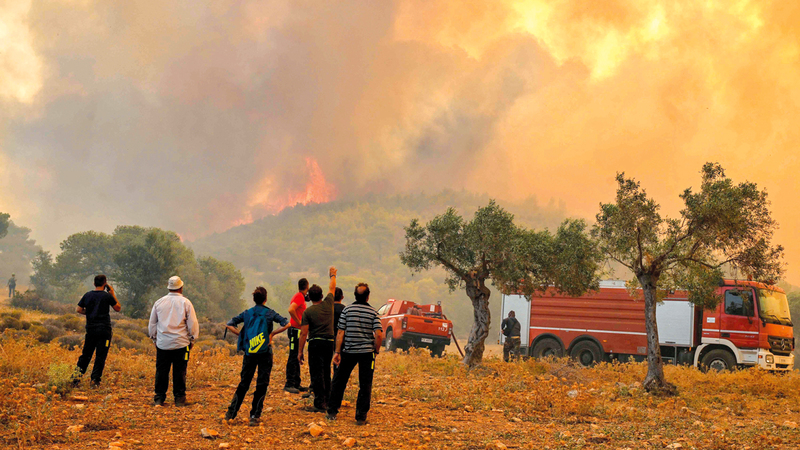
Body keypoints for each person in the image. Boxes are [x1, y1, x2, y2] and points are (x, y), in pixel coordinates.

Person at [224, 287, 291, 425]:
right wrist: (271, 335)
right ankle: (255, 415)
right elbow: (287, 323)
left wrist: (243, 336)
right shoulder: (270, 313)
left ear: (254, 299)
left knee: (244, 382)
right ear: (265, 299)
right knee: (262, 383)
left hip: (250, 353)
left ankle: (231, 413)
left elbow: (229, 324)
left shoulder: (247, 313)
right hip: (265, 353)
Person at [326, 282, 384, 425]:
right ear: (368, 297)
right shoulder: (373, 312)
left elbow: (340, 332)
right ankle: (360, 416)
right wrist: (376, 350)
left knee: (339, 381)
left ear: (355, 295)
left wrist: (337, 352)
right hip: (367, 353)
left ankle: (332, 411)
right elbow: (379, 335)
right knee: (365, 384)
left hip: (348, 351)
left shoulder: (347, 310)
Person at [148, 276, 199, 407]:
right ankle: (179, 399)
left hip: (163, 343)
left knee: (161, 371)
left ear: (169, 287)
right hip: (181, 343)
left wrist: (154, 339)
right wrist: (192, 339)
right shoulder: (186, 303)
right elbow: (192, 323)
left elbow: (152, 324)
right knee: (180, 371)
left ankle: (159, 398)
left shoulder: (159, 302)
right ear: (181, 288)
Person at [298, 267, 337, 412]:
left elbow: (303, 334)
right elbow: (332, 287)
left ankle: (319, 403)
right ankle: (328, 400)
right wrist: (333, 274)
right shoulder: (328, 304)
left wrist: (300, 351)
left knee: (316, 373)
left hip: (315, 343)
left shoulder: (308, 312)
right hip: (329, 343)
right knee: (326, 371)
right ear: (322, 295)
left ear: (309, 298)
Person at [72, 274, 121, 387]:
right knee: (100, 355)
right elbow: (118, 308)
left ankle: (75, 379)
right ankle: (95, 381)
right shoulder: (107, 296)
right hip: (104, 330)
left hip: (91, 330)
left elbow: (79, 309)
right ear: (105, 284)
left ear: (94, 283)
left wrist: (89, 313)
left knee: (86, 355)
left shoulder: (88, 295)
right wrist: (112, 293)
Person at [285, 278, 310, 394]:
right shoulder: (299, 296)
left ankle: (296, 383)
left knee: (297, 355)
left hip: (297, 330)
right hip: (294, 330)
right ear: (307, 287)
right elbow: (291, 309)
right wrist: (299, 322)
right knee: (293, 355)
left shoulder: (300, 297)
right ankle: (289, 383)